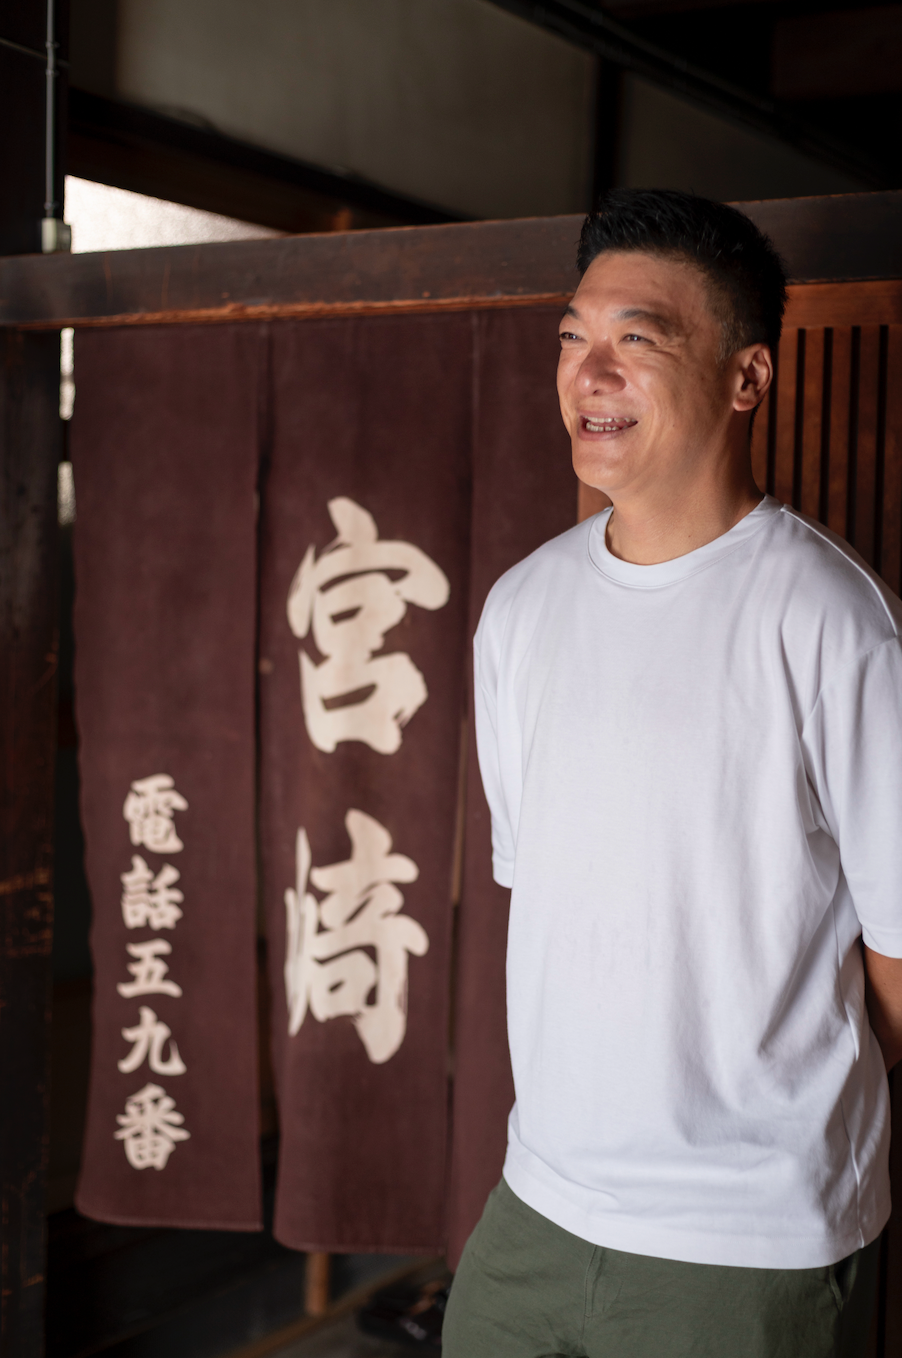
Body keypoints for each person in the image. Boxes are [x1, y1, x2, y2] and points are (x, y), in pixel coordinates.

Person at [442, 189, 902, 1358]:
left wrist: (783, 1097)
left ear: (745, 377)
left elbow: (899, 949)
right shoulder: (520, 608)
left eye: (633, 339)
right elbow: (538, 886)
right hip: (536, 1202)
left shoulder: (831, 618)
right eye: (571, 337)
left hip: (744, 1239)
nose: (587, 373)